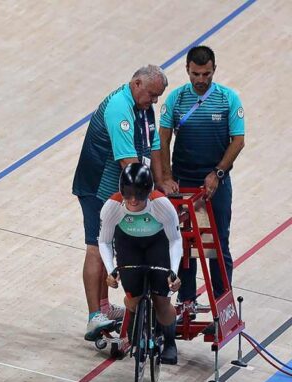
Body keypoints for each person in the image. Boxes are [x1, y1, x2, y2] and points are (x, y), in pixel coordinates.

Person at [72, 65, 168, 341]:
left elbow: (154, 147)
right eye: (152, 94)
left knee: (109, 245)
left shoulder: (144, 108)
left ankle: (103, 307)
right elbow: (129, 163)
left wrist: (163, 182)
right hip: (97, 187)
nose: (154, 101)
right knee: (96, 246)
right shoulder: (119, 108)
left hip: (118, 189)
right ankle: (94, 317)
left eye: (158, 96)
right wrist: (152, 197)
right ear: (136, 84)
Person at [157, 45, 245, 310]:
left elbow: (238, 141)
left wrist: (218, 173)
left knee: (218, 242)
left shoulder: (228, 99)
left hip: (215, 184)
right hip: (182, 182)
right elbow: (162, 139)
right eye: (196, 74)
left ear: (214, 70)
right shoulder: (175, 99)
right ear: (187, 70)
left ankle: (222, 302)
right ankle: (186, 300)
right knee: (183, 242)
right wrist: (167, 177)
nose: (201, 80)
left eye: (206, 74)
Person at [99, 163, 183, 364]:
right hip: (129, 245)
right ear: (121, 192)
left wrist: (174, 271)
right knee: (133, 299)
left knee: (162, 302)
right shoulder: (112, 207)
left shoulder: (162, 205)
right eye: (128, 195)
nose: (134, 200)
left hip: (157, 244)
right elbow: (103, 241)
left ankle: (170, 343)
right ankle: (136, 328)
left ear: (149, 192)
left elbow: (175, 240)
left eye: (139, 195)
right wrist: (111, 270)